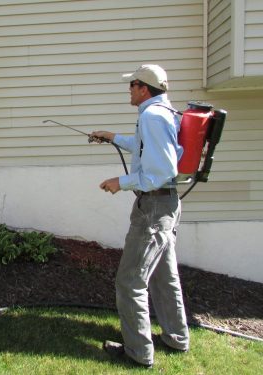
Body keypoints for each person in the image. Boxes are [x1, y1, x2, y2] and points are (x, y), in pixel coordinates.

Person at [91, 64, 190, 368]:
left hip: (154, 208)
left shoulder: (152, 116)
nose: (129, 89)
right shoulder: (164, 112)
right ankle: (176, 338)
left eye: (132, 85)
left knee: (130, 280)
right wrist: (112, 137)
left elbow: (161, 170)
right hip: (165, 206)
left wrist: (120, 183)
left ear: (143, 88)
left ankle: (138, 353)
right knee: (164, 276)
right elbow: (147, 149)